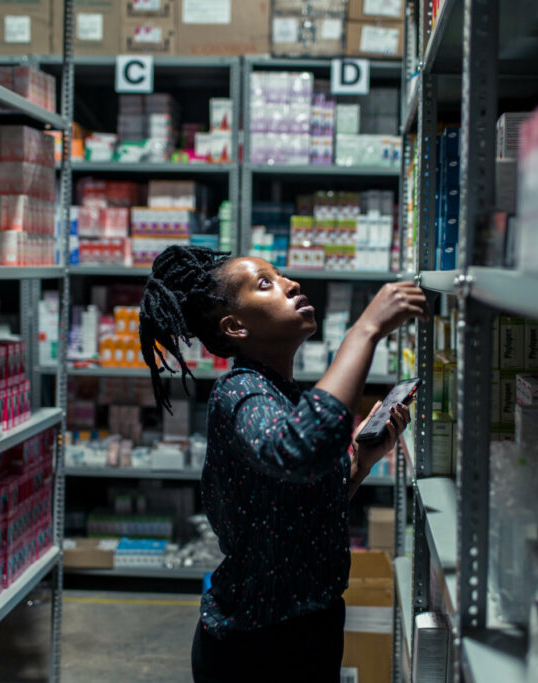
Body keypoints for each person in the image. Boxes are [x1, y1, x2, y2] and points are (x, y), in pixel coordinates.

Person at [139, 245, 429, 683]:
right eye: (264, 284)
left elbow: (295, 507)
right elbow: (299, 449)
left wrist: (361, 462)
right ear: (234, 327)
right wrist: (364, 331)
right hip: (255, 647)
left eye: (280, 276)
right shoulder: (238, 394)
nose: (290, 284)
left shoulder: (285, 393)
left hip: (311, 630)